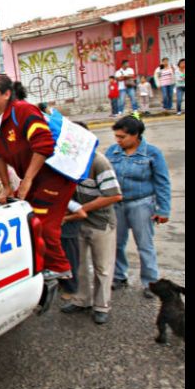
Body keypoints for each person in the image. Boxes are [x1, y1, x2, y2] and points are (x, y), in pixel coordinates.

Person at [0, 73, 77, 280]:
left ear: (6, 94)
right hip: (31, 178)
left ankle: (61, 267)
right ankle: (39, 263)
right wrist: (6, 186)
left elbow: (44, 144)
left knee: (44, 223)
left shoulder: (23, 110)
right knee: (25, 218)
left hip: (54, 177)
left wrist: (28, 180)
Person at [61, 131, 123, 323]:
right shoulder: (70, 163)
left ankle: (101, 305)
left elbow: (114, 195)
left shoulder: (99, 162)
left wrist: (80, 209)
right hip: (78, 222)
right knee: (78, 264)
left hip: (101, 223)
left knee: (102, 267)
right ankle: (82, 300)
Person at [106, 116, 171, 298]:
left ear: (136, 136)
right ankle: (119, 276)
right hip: (117, 204)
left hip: (141, 204)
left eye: (122, 137)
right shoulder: (112, 151)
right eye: (116, 137)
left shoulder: (152, 153)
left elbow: (162, 182)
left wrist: (163, 209)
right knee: (116, 243)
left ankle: (150, 282)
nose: (118, 140)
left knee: (145, 245)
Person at [59, 199, 88, 298]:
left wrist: (65, 218)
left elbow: (82, 214)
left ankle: (71, 288)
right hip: (58, 233)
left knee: (70, 261)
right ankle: (62, 284)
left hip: (68, 233)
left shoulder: (66, 198)